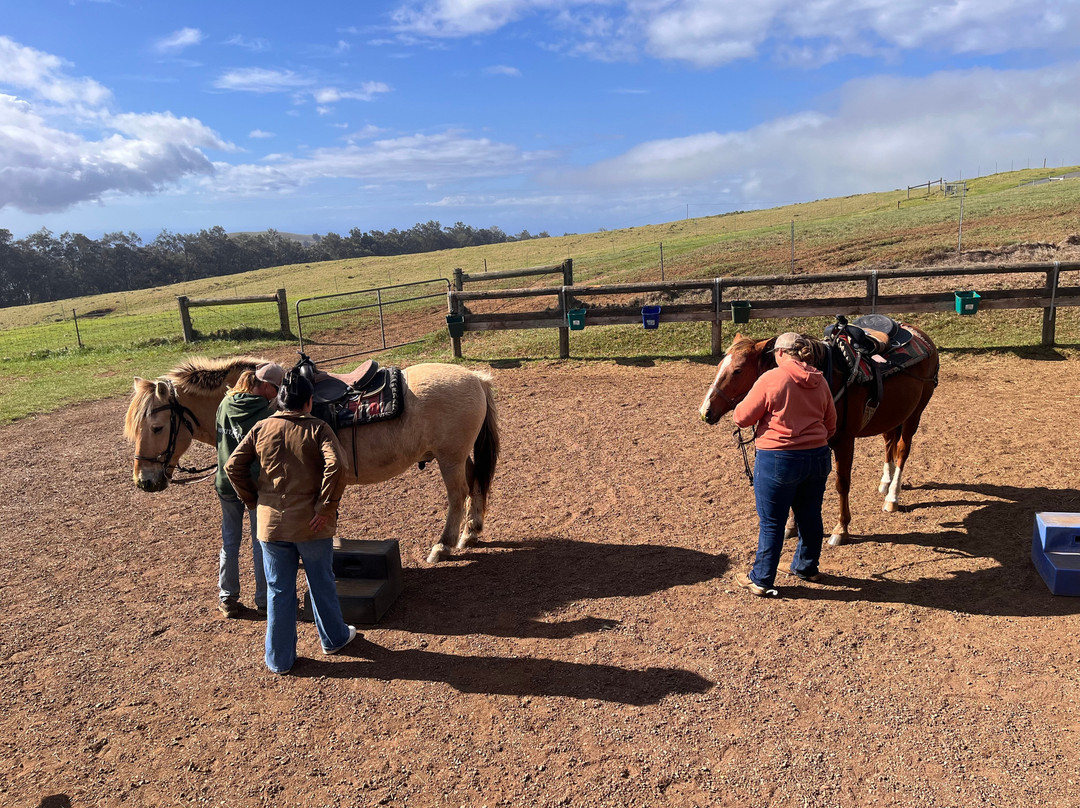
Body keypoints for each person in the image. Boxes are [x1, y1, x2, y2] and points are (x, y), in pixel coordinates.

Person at [225, 370, 358, 674]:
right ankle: (333, 638)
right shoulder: (319, 429)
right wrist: (326, 506)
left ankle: (279, 659)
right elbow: (337, 465)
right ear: (309, 402)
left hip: (270, 525)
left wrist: (254, 502)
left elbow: (233, 466)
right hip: (311, 524)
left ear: (281, 400)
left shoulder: (261, 428)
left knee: (279, 590)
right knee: (321, 581)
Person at [733, 332, 837, 597]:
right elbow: (831, 423)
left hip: (778, 459)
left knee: (772, 521)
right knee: (810, 515)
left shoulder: (771, 379)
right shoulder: (820, 380)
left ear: (780, 353)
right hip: (817, 457)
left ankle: (761, 578)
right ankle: (806, 566)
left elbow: (742, 418)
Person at [213, 362, 284, 618]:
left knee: (229, 542)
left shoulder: (223, 404)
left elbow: (219, 440)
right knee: (259, 542)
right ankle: (264, 599)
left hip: (225, 482)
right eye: (276, 388)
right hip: (254, 487)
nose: (278, 393)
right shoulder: (264, 412)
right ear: (265, 386)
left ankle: (227, 597)